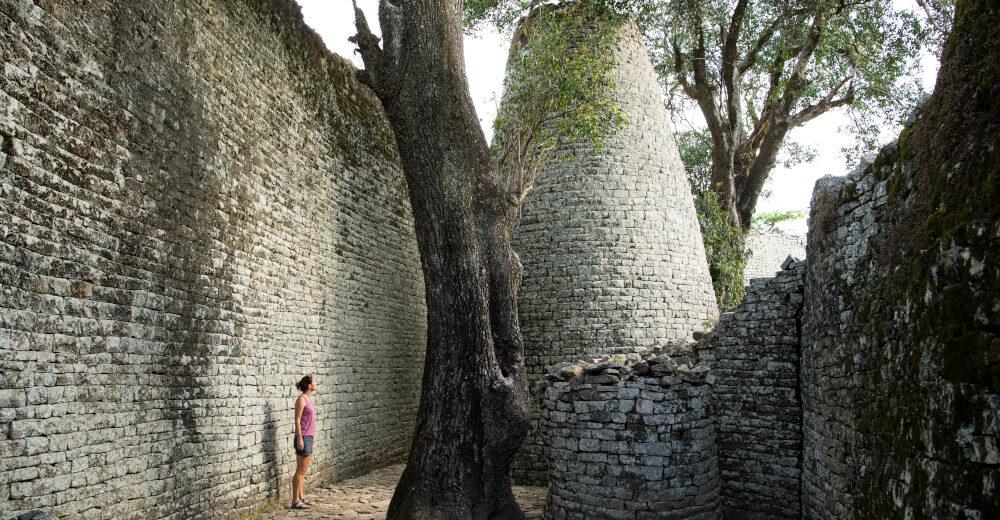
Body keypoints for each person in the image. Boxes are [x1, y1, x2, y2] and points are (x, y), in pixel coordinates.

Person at [291, 374, 316, 509]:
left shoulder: (309, 399)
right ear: (309, 385)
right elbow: (297, 420)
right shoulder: (301, 399)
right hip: (303, 437)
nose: (316, 383)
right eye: (314, 382)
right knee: (300, 470)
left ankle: (301, 497)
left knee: (304, 470)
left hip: (309, 437)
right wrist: (300, 438)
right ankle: (295, 500)